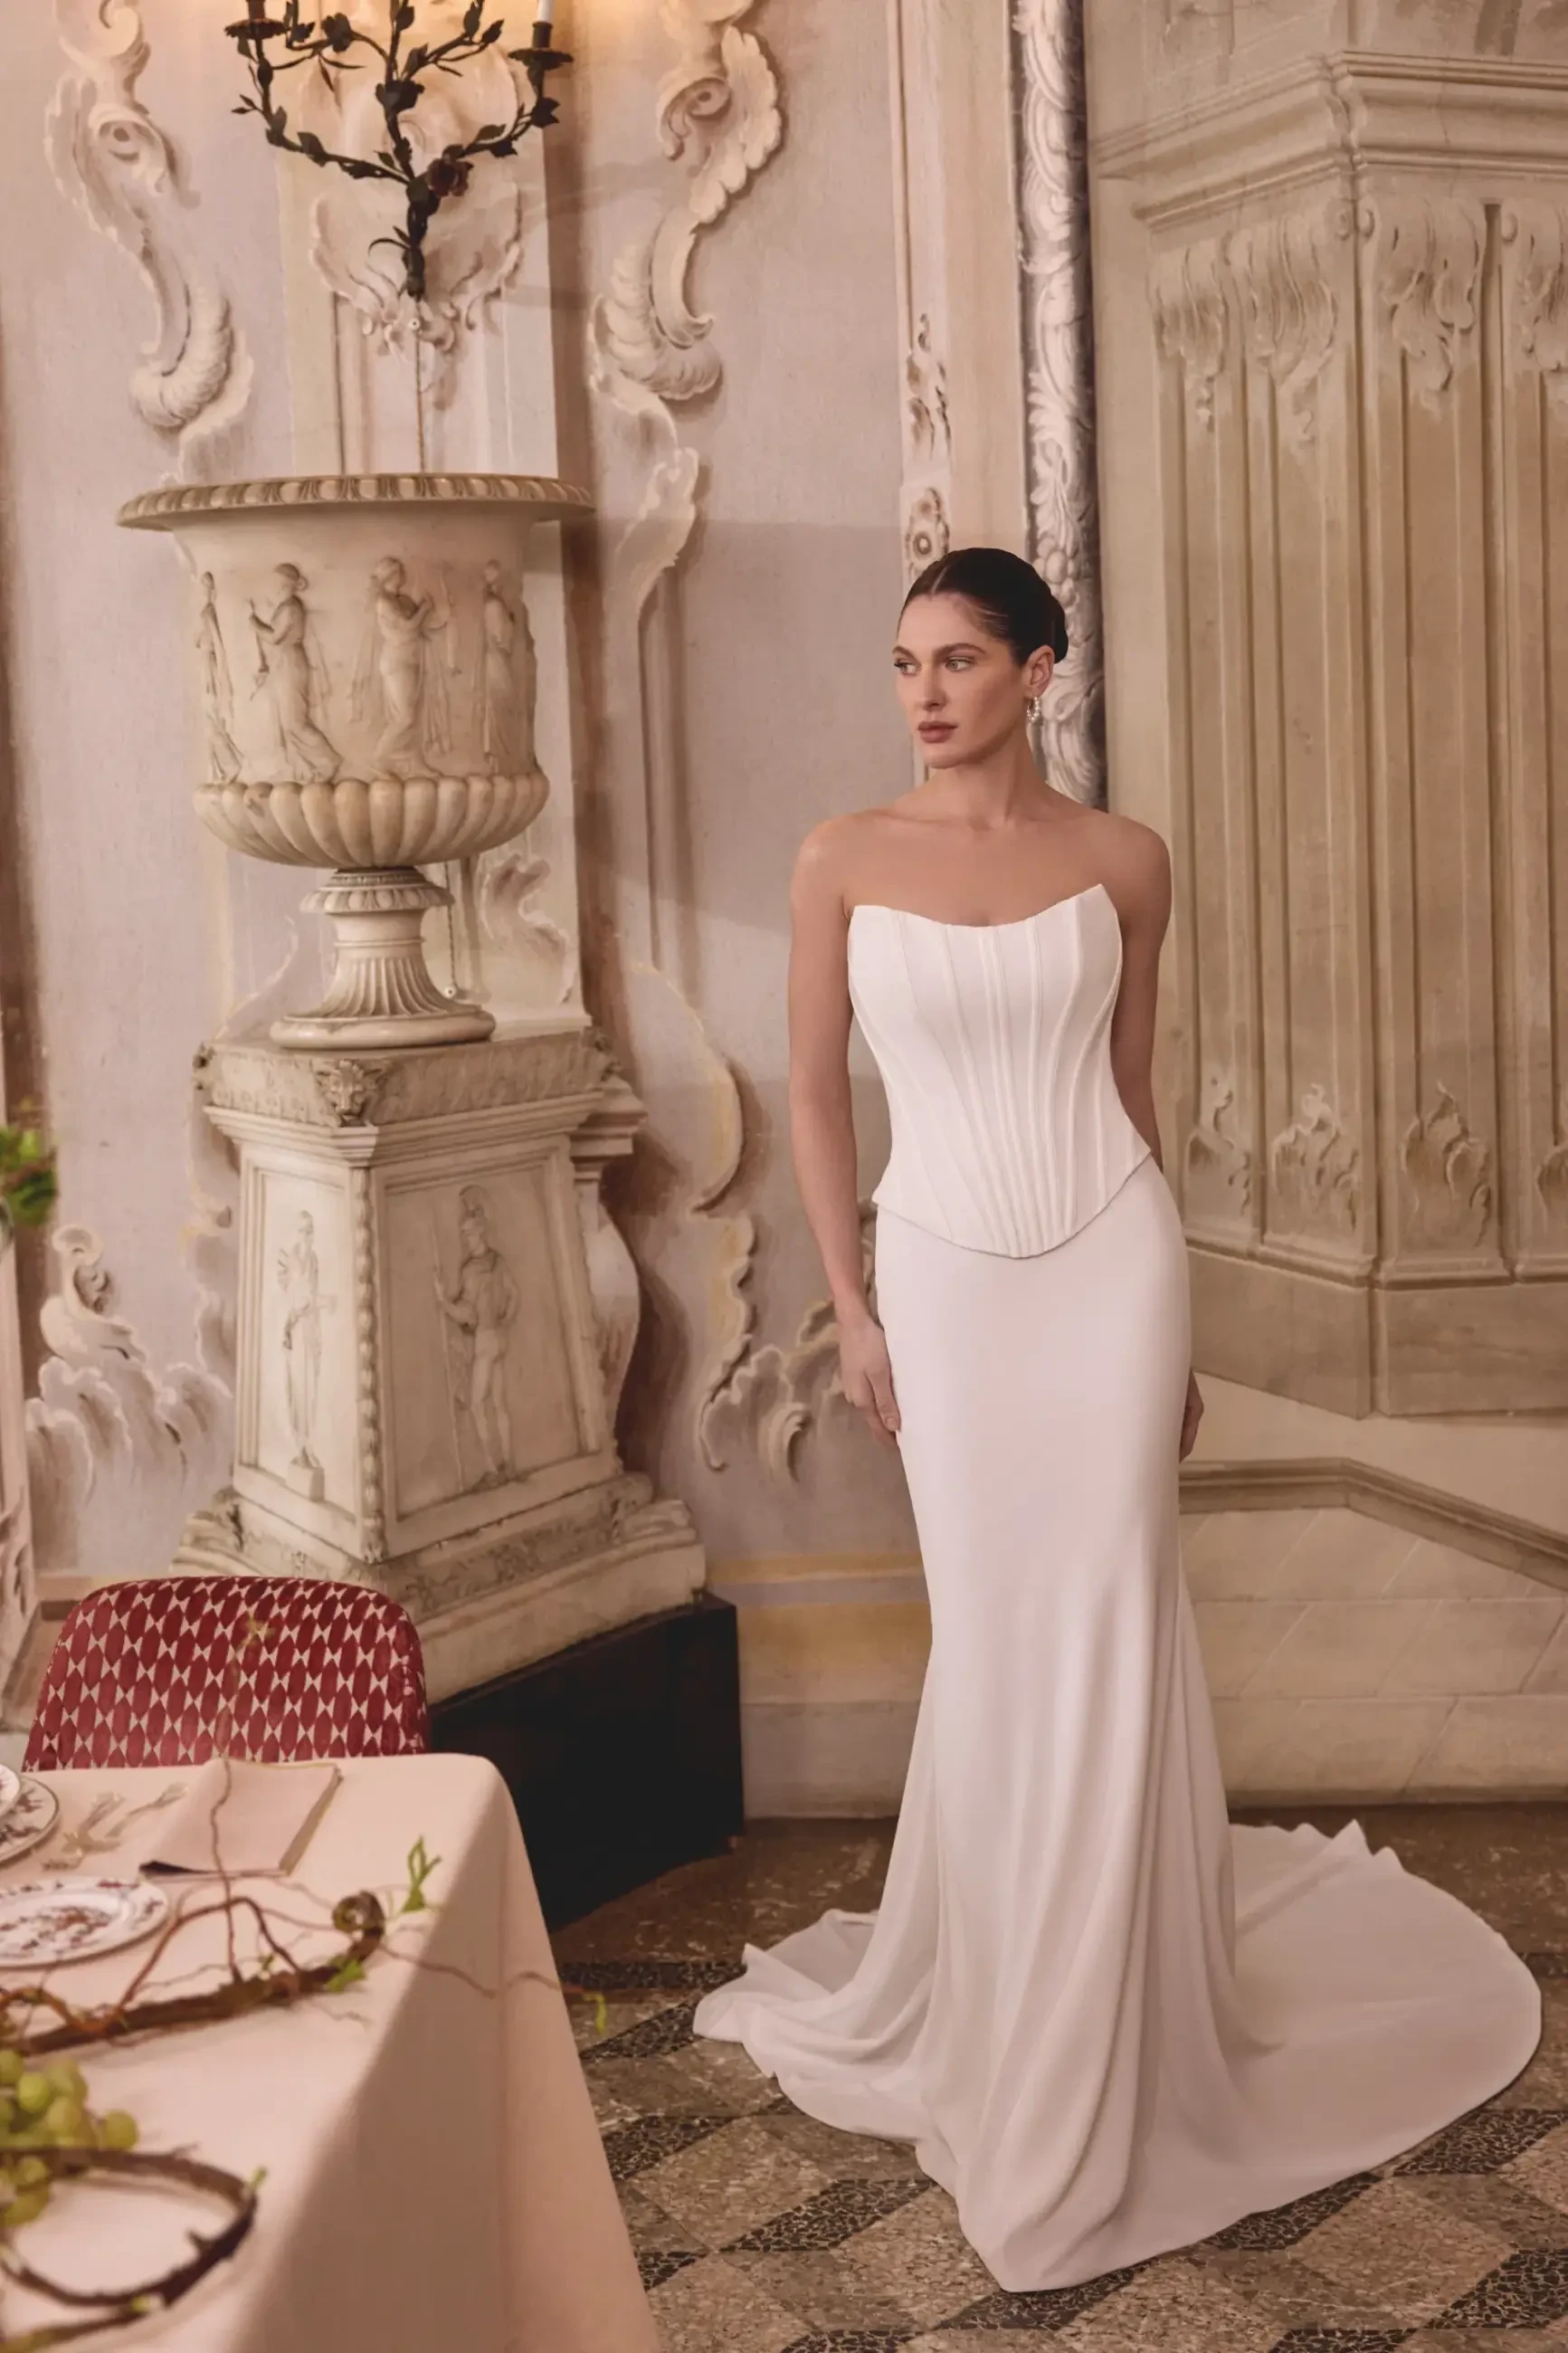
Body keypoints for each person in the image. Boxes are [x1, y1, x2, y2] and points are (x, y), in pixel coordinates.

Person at [691, 546, 1540, 2291]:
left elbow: (1129, 1090)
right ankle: (1012, 2021)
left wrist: (1176, 1334)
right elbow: (817, 1101)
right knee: (1002, 1640)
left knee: (1118, 1627)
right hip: (938, 1271)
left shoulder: (1126, 860)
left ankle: (1123, 2040)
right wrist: (850, 1306)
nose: (925, 692)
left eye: (963, 660)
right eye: (907, 661)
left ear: (1041, 672)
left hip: (1109, 1259)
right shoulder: (839, 859)